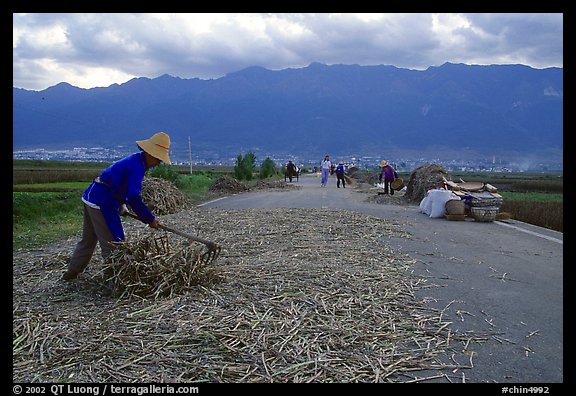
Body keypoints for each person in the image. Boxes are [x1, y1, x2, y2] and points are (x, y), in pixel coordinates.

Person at [62, 131, 172, 281]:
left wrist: (121, 204)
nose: (158, 163)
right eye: (158, 159)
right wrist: (149, 219)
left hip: (92, 196)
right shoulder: (137, 167)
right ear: (151, 154)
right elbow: (133, 197)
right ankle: (113, 280)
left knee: (88, 240)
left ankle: (71, 273)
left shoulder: (135, 161)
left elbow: (119, 186)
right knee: (114, 242)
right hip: (102, 201)